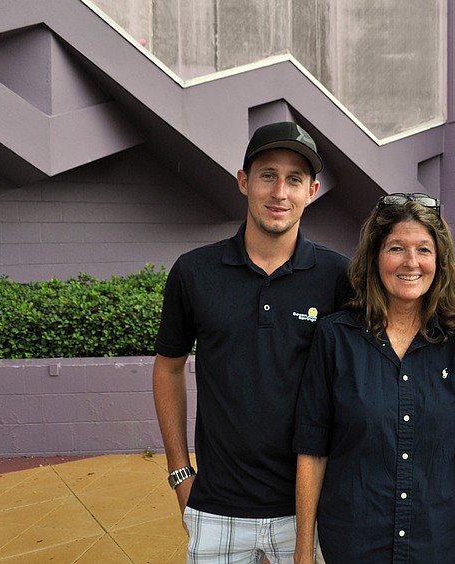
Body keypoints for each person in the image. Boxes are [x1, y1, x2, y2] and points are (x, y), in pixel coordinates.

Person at [153, 121, 350, 563]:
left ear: (312, 191)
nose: (280, 191)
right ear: (244, 182)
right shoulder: (194, 272)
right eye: (267, 175)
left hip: (310, 507)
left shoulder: (339, 278)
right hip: (216, 506)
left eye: (295, 179)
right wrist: (180, 473)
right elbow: (168, 367)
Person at [293, 193, 455, 564]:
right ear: (375, 258)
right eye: (396, 248)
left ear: (439, 261)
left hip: (437, 547)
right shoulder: (335, 337)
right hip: (352, 546)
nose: (411, 262)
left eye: (424, 250)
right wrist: (303, 553)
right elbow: (312, 452)